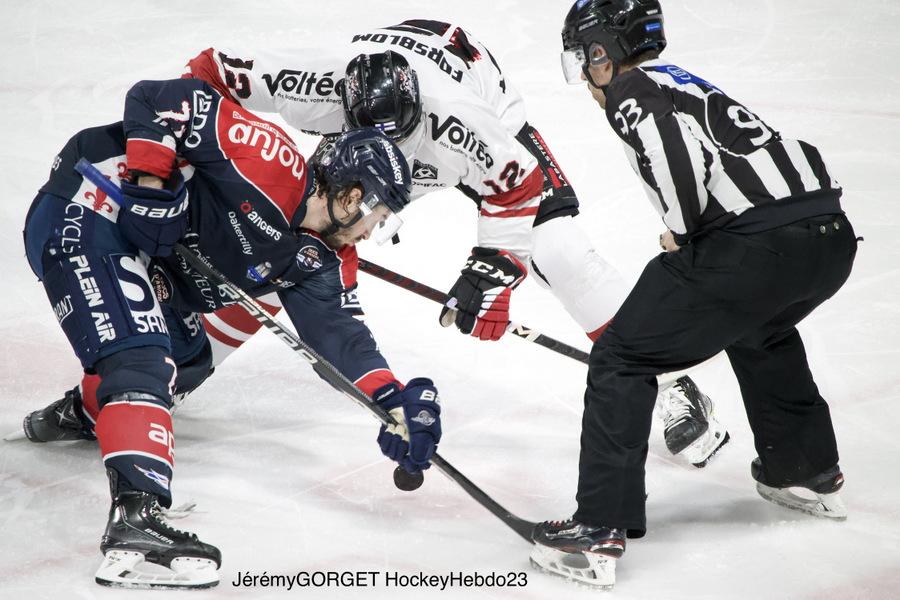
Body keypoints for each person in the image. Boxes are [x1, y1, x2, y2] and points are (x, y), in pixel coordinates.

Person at [175, 21, 729, 466]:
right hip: (370, 129)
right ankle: (181, 369)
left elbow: (517, 185)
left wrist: (493, 274)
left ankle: (671, 381)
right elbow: (207, 72)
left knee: (556, 249)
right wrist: (183, 162)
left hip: (477, 98)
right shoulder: (318, 82)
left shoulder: (462, 124)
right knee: (295, 244)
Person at [21, 76, 442, 588]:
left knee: (187, 357)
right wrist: (151, 184)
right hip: (89, 205)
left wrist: (391, 400)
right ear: (352, 196)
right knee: (141, 356)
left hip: (146, 254)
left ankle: (84, 414)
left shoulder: (321, 259)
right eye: (378, 217)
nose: (373, 232)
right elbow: (155, 98)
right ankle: (136, 519)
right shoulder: (268, 158)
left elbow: (340, 337)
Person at [529, 0, 858, 588]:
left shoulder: (631, 89)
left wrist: (682, 232)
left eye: (585, 57)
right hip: (828, 239)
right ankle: (804, 469)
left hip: (758, 244)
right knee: (762, 327)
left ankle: (597, 530)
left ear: (605, 50)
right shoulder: (682, 81)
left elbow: (672, 155)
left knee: (621, 356)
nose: (584, 73)